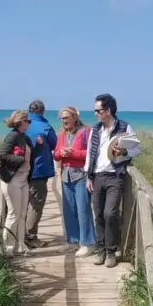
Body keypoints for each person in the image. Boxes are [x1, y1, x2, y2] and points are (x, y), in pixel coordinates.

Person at [84, 93, 141, 268]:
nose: (95, 113)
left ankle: (111, 251)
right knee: (99, 214)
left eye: (98, 110)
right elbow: (89, 154)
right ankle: (100, 250)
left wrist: (124, 152)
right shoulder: (95, 129)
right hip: (97, 176)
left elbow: (137, 149)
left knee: (111, 214)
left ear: (108, 110)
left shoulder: (124, 127)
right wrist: (88, 176)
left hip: (115, 176)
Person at [53, 107, 96, 257]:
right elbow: (56, 154)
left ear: (75, 118)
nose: (64, 121)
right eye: (62, 118)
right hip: (66, 175)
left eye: (67, 117)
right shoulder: (62, 134)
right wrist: (61, 153)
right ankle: (73, 241)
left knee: (83, 210)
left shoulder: (86, 131)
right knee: (69, 210)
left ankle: (88, 243)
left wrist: (73, 153)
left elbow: (91, 153)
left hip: (81, 175)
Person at [0, 110, 34, 257]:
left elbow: (29, 155)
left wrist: (37, 145)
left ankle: (21, 245)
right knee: (13, 214)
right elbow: (2, 154)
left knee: (22, 214)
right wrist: (20, 160)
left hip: (24, 180)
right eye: (28, 121)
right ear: (21, 122)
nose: (29, 124)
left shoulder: (24, 137)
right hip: (12, 181)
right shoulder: (13, 135)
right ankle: (7, 248)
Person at [24, 100, 59, 248]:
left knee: (22, 204)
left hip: (21, 171)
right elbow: (55, 144)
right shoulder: (45, 126)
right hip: (38, 171)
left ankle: (19, 236)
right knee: (36, 204)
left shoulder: (22, 125)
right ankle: (30, 237)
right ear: (42, 111)